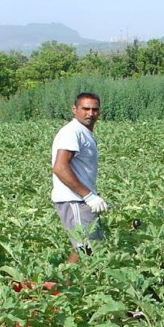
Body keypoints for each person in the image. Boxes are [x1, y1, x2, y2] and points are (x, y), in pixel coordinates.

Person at [51, 92, 110, 263]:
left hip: (80, 199)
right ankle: (62, 280)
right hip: (74, 199)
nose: (90, 113)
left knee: (90, 247)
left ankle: (66, 278)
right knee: (86, 248)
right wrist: (89, 196)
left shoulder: (83, 132)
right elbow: (60, 167)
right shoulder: (72, 132)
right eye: (85, 109)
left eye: (94, 109)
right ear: (74, 109)